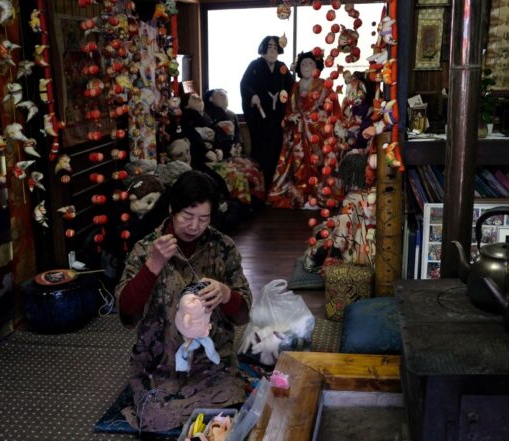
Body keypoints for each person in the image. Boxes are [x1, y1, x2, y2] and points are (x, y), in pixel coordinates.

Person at [114, 170, 252, 432]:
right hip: (160, 366)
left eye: (203, 219)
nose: (194, 226)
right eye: (187, 217)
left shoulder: (223, 248)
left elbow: (242, 315)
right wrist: (152, 266)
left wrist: (225, 294)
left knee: (230, 410)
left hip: (211, 366)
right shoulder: (147, 249)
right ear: (171, 209)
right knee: (156, 419)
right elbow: (127, 316)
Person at [267, 51, 343, 209]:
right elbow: (288, 111)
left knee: (320, 163)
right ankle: (303, 194)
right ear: (299, 69)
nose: (306, 66)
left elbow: (334, 109)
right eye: (303, 64)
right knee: (299, 164)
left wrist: (324, 119)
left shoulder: (325, 85)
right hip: (299, 132)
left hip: (319, 131)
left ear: (317, 67)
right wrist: (290, 118)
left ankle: (320, 193)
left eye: (310, 64)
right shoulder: (294, 87)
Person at [240, 35, 294, 189]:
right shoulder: (255, 65)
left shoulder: (282, 67)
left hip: (278, 119)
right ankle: (260, 187)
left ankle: (275, 187)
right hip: (260, 119)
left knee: (278, 151)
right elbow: (245, 84)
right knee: (261, 152)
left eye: (275, 48)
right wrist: (252, 96)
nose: (272, 50)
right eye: (269, 47)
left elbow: (292, 87)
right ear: (263, 48)